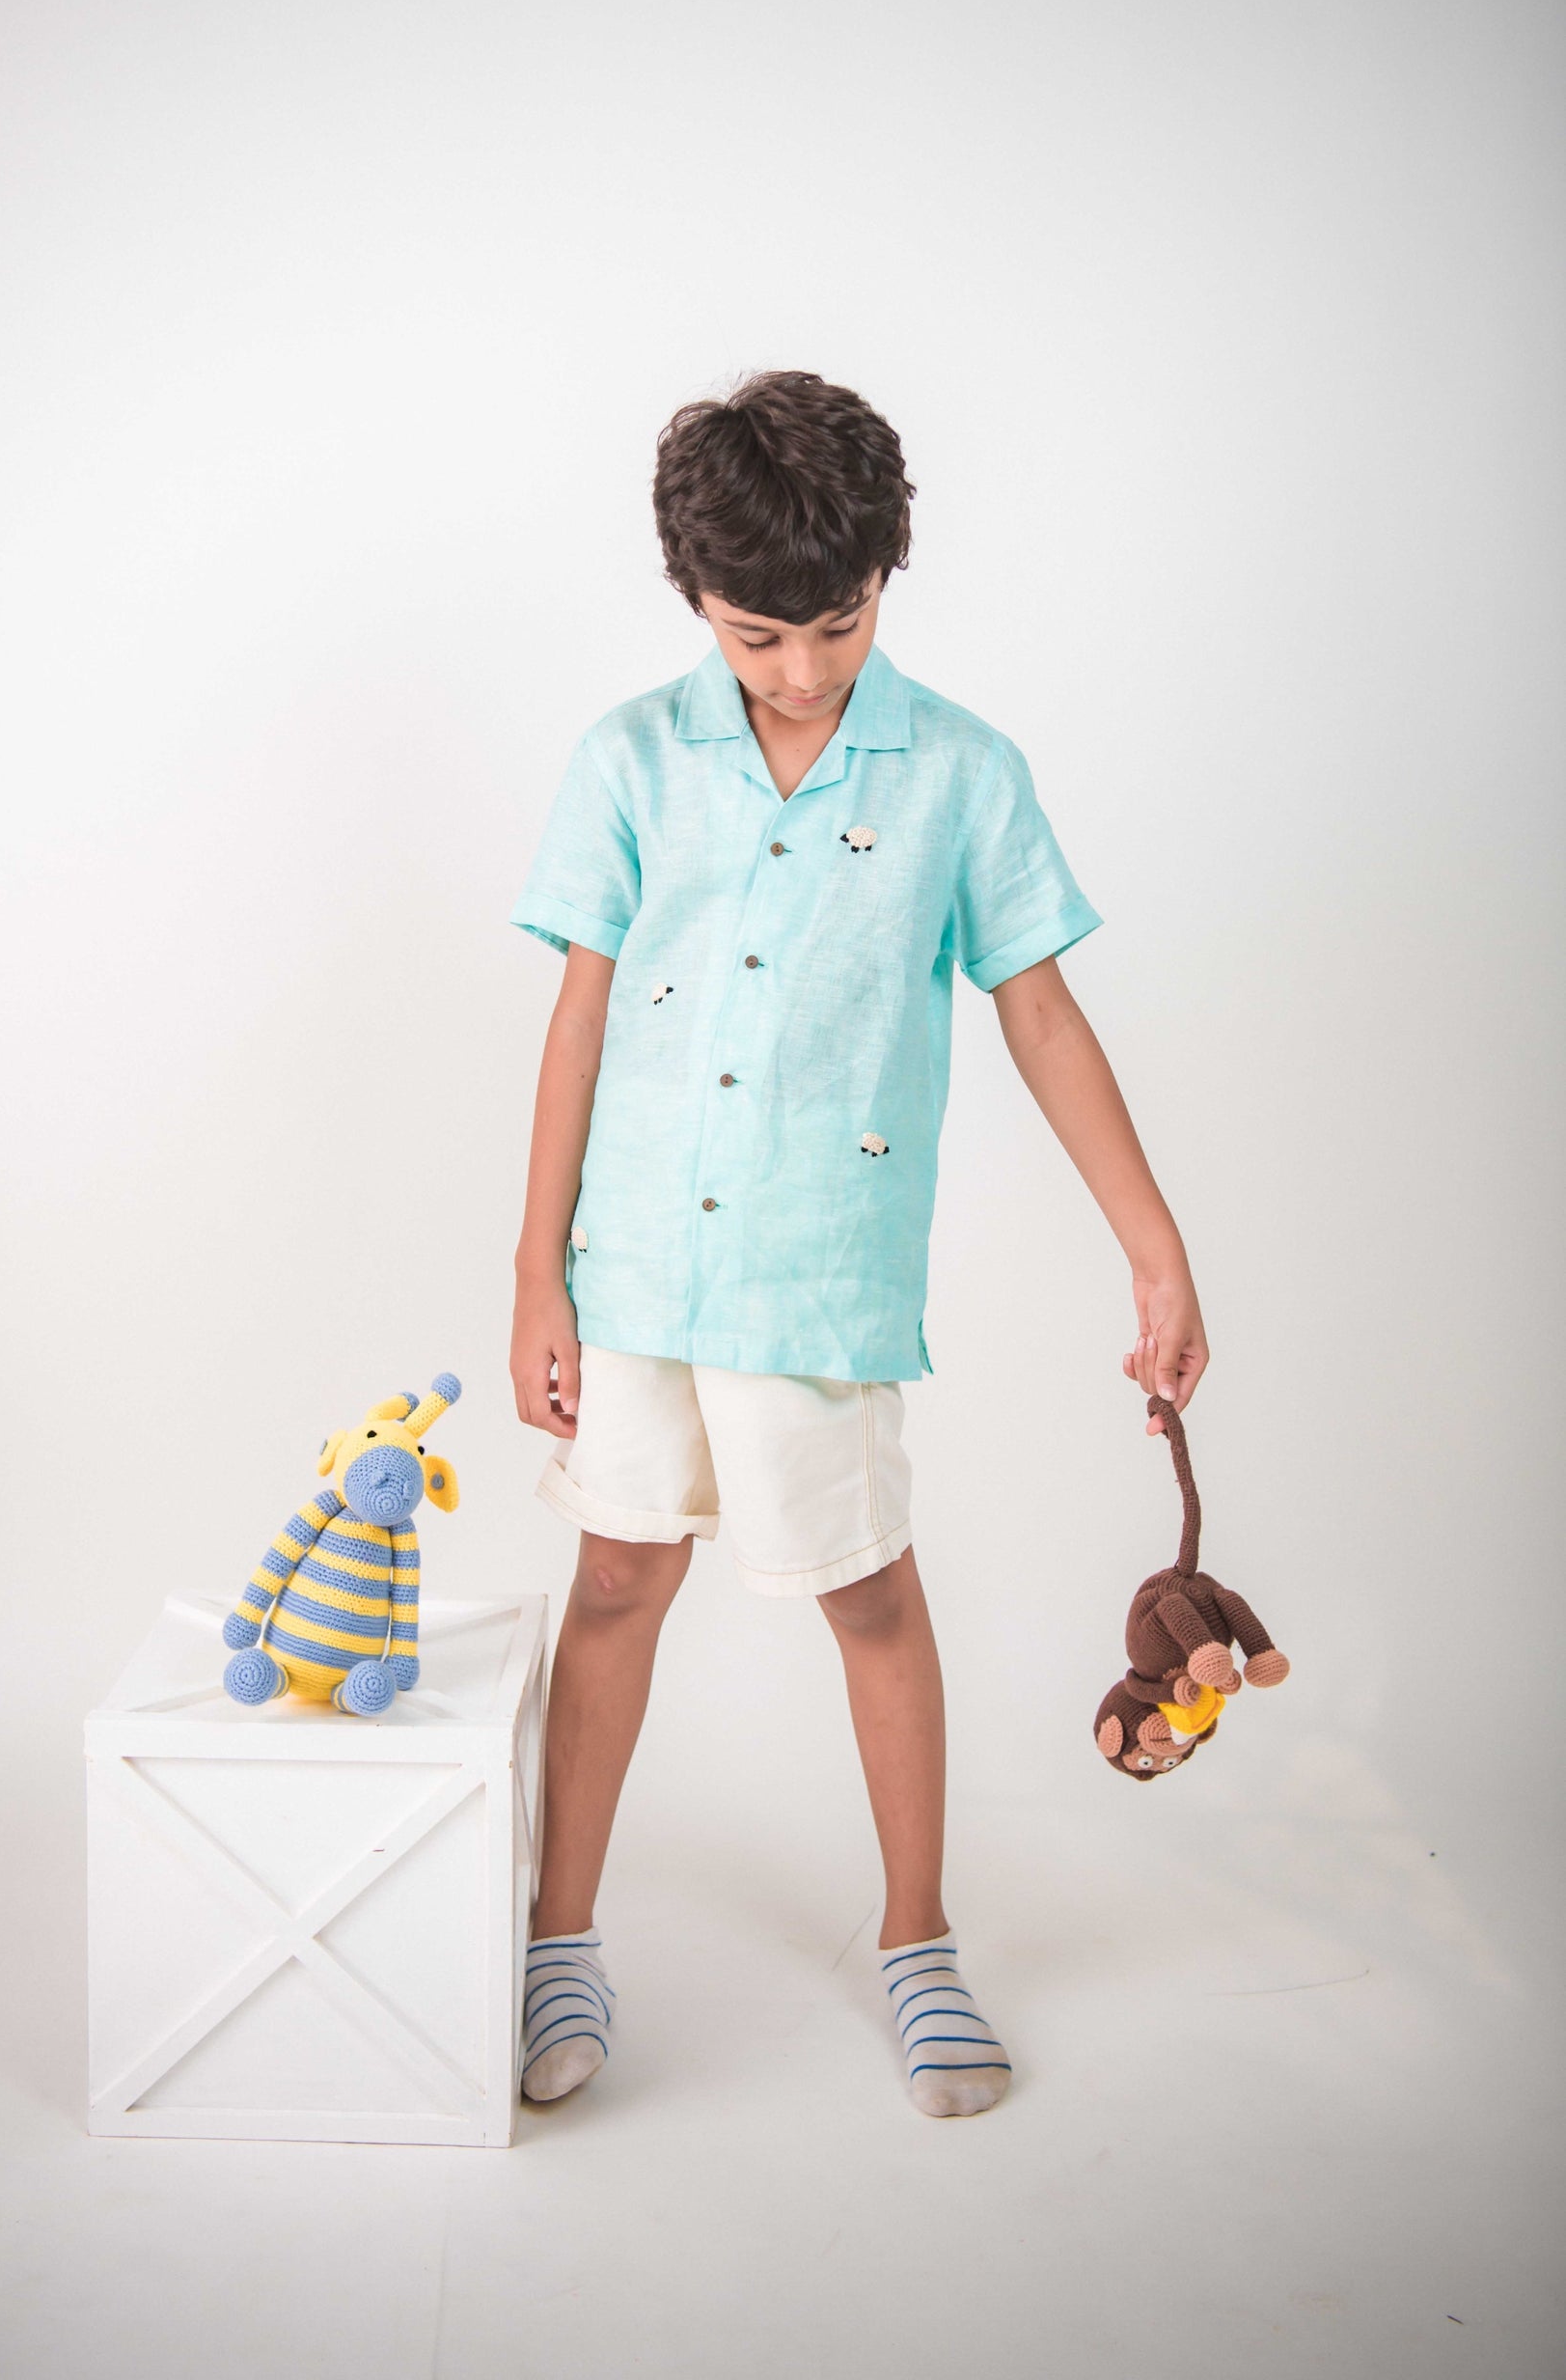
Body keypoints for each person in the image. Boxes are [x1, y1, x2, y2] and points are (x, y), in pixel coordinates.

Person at [507, 371, 1207, 2118]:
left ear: (885, 578)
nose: (802, 670)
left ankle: (916, 1941)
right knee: (612, 1581)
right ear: (693, 601)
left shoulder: (964, 772)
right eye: (758, 636)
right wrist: (536, 1275)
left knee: (866, 1592)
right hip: (639, 1268)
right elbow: (579, 1021)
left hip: (820, 1272)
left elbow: (1038, 1010)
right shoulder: (624, 762)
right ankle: (555, 1935)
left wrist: (1154, 1247)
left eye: (834, 624)